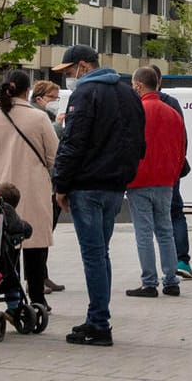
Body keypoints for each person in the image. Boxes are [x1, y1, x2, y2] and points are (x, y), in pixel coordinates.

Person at [52, 45, 145, 346]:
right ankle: (96, 317)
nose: (68, 79)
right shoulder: (128, 92)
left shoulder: (85, 94)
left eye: (68, 72)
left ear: (82, 66)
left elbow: (73, 143)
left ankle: (99, 323)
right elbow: (138, 142)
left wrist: (61, 185)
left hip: (87, 185)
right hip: (115, 186)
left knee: (93, 255)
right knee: (101, 253)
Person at [0, 70, 59, 312]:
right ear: (27, 91)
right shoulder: (40, 118)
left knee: (4, 246)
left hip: (0, 192)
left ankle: (11, 295)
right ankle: (36, 297)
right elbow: (54, 156)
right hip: (33, 190)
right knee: (34, 245)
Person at [126, 67, 185, 298]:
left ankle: (149, 282)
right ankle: (171, 280)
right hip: (166, 180)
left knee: (144, 232)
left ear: (139, 85)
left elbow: (128, 146)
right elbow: (181, 150)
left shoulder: (136, 111)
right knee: (165, 231)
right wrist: (173, 175)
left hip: (140, 180)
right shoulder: (172, 113)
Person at [141, 66, 192, 281]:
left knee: (145, 227)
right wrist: (177, 166)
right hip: (169, 172)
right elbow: (182, 138)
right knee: (173, 215)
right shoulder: (171, 104)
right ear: (160, 80)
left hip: (144, 173)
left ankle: (149, 276)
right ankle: (180, 262)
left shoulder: (139, 104)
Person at [29, 79, 66, 293]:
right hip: (45, 184)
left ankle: (42, 275)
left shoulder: (46, 116)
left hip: (45, 183)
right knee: (42, 233)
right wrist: (57, 127)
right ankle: (38, 278)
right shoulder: (42, 118)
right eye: (53, 97)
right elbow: (52, 149)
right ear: (40, 98)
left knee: (44, 233)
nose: (56, 101)